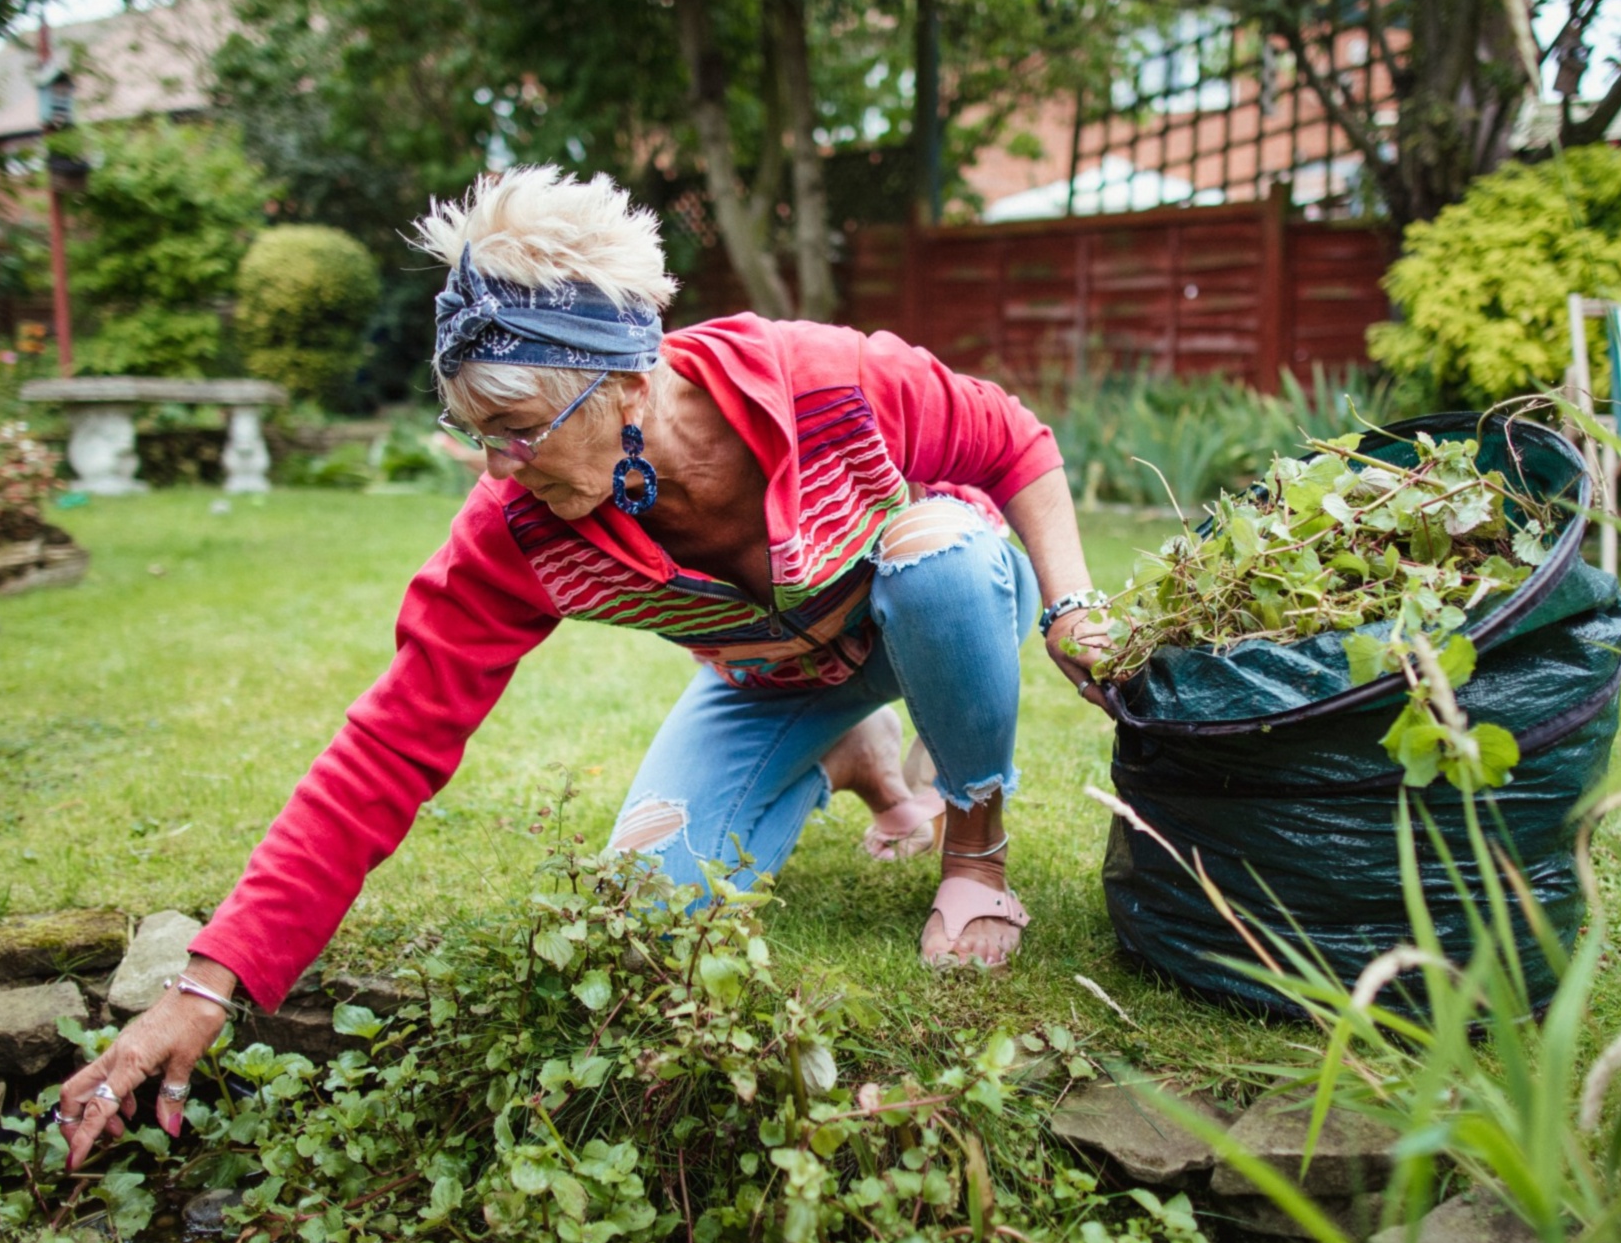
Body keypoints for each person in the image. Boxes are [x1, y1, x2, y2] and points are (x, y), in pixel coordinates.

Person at [54, 167, 1111, 1167]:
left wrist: (1069, 605)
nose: (495, 465)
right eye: (472, 430)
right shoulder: (515, 527)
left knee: (942, 560)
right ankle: (857, 756)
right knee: (641, 919)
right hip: (774, 674)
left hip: (933, 603)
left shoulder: (821, 377)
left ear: (626, 383)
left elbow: (1013, 442)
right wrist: (209, 980)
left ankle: (972, 847)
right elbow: (389, 742)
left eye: (515, 428)